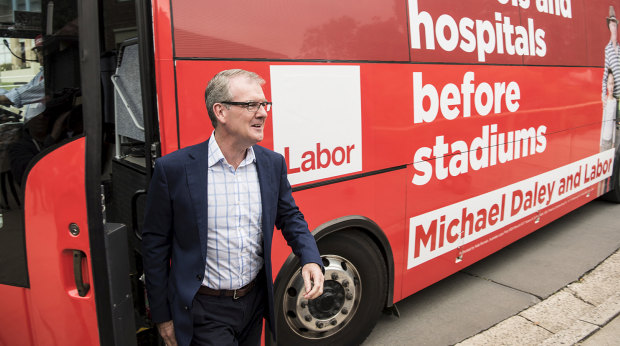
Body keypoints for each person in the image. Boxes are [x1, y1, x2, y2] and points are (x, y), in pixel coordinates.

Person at [142, 69, 325, 346]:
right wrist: (162, 315)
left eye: (264, 105)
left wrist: (310, 258)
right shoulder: (174, 169)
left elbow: (289, 217)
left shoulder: (271, 164)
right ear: (221, 112)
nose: (263, 113)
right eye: (251, 105)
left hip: (254, 303)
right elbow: (155, 245)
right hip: (204, 310)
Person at [0, 35, 45, 122]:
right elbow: (22, 90)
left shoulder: (53, 77)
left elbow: (18, 96)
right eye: (39, 51)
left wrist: (5, 98)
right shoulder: (40, 74)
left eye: (43, 51)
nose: (40, 55)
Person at [603, 6, 620, 122]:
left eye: (615, 25)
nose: (613, 27)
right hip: (616, 98)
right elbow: (605, 75)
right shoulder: (607, 49)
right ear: (609, 27)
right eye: (612, 25)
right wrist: (603, 94)